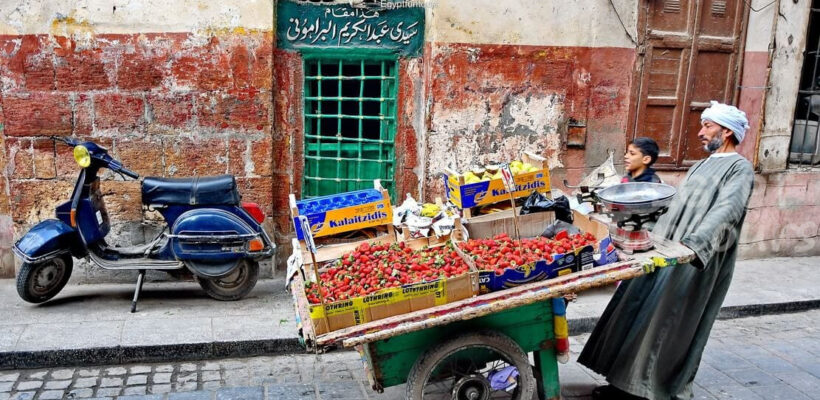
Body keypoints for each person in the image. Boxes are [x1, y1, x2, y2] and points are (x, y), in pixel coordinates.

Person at [579, 101, 755, 400]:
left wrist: (695, 245)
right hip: (667, 248)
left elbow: (728, 210)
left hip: (696, 256)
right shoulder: (701, 164)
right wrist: (636, 226)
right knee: (635, 306)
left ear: (726, 132)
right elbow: (674, 206)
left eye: (707, 126)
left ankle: (644, 389)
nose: (700, 132)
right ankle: (622, 381)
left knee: (666, 321)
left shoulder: (740, 168)